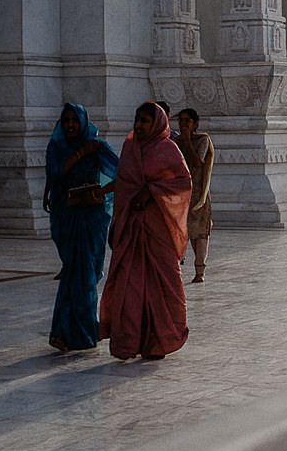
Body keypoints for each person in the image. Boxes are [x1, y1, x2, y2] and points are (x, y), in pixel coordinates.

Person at [99, 102, 191, 360]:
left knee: (163, 285)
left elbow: (182, 183)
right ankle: (130, 341)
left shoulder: (167, 150)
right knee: (130, 287)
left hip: (157, 229)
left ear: (158, 124)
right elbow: (124, 184)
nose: (138, 125)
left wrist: (150, 192)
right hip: (131, 228)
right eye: (136, 120)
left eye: (145, 121)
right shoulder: (130, 148)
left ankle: (160, 340)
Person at [44, 103, 119, 352]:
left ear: (84, 121)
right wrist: (79, 154)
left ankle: (85, 329)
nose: (70, 125)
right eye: (66, 121)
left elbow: (123, 174)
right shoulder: (57, 146)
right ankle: (63, 333)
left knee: (87, 274)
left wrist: (101, 192)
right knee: (75, 272)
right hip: (67, 215)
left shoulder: (97, 146)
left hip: (92, 217)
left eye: (74, 120)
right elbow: (54, 175)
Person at [173, 108, 214, 283]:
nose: (183, 124)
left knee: (201, 233)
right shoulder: (175, 142)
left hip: (198, 192)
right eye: (181, 121)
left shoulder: (202, 140)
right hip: (180, 192)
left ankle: (200, 270)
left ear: (195, 123)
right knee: (184, 231)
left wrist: (188, 140)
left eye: (187, 121)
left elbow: (197, 162)